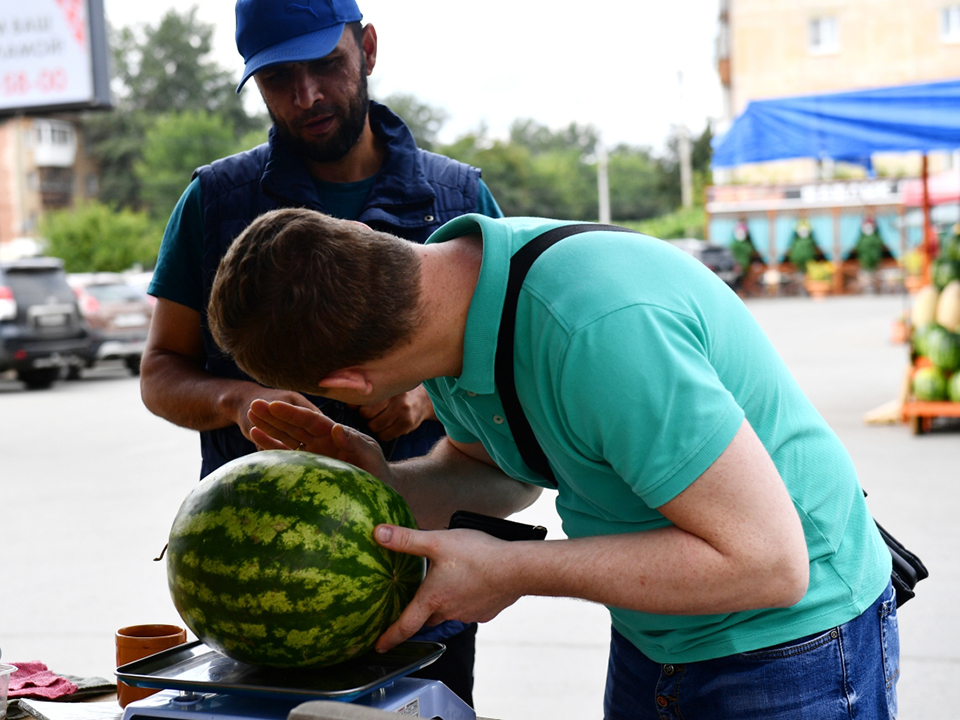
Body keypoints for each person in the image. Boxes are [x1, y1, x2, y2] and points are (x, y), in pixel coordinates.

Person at [206, 208, 899, 720]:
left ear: (350, 382)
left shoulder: (596, 329)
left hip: (790, 643)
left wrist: (512, 571)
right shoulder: (443, 311)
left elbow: (768, 564)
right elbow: (502, 474)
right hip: (658, 632)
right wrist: (383, 480)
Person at [138, 0, 511, 705]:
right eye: (280, 78)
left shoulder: (459, 197)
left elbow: (504, 365)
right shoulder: (214, 201)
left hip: (425, 565)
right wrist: (238, 397)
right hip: (263, 582)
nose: (307, 96)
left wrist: (428, 392)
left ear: (367, 48)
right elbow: (159, 372)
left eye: (326, 65)